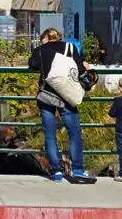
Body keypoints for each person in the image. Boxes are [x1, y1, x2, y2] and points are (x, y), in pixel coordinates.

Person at [28, 28, 96, 184]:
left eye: (41, 38)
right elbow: (79, 70)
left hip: (46, 95)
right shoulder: (70, 47)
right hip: (66, 95)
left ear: (46, 37)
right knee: (74, 131)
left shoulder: (40, 50)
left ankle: (57, 171)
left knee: (50, 134)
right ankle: (77, 169)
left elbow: (32, 64)